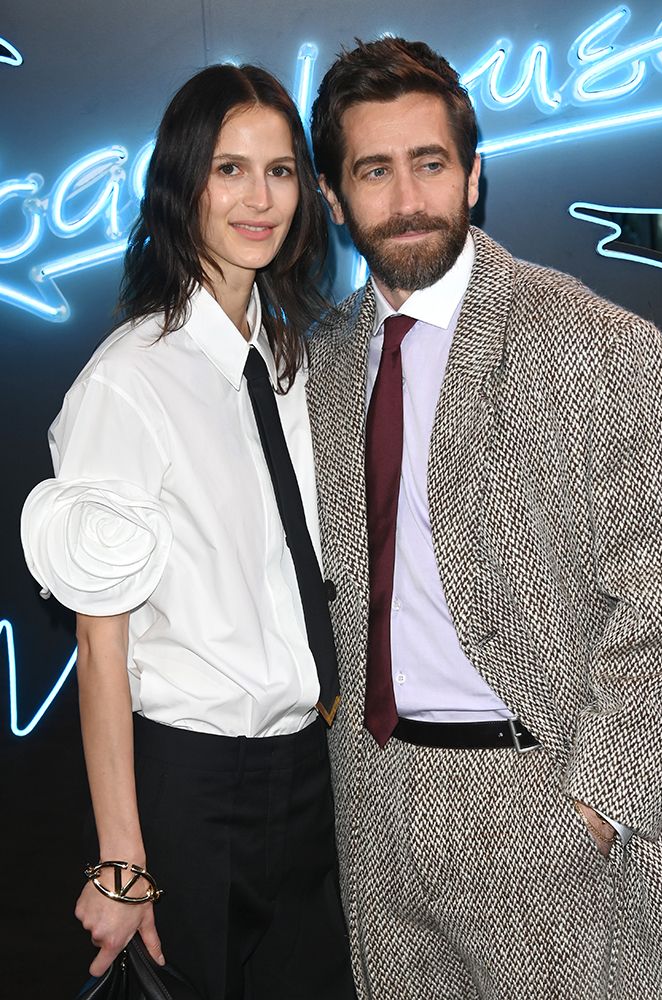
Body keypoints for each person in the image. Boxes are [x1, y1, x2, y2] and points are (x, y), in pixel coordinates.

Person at [306, 36, 662, 1000]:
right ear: (333, 197)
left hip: (544, 796)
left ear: (475, 176)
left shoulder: (601, 346)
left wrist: (596, 808)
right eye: (374, 170)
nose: (407, 197)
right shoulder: (318, 363)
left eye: (431, 163)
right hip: (374, 802)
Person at [21, 63, 355, 1000]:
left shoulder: (292, 359)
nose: (261, 199)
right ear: (183, 185)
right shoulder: (129, 380)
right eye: (230, 170)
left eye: (282, 171)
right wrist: (122, 860)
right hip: (193, 787)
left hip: (311, 776)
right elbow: (100, 641)